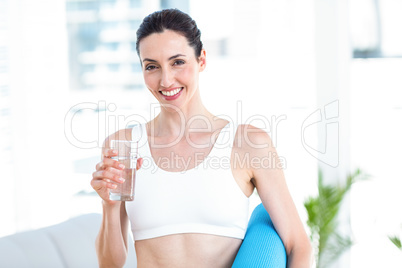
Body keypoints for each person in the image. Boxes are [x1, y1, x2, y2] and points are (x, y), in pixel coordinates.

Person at [91, 8, 312, 268]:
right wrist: (109, 206)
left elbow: (298, 246)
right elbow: (110, 264)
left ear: (202, 60)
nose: (165, 79)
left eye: (178, 62)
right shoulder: (124, 145)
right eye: (152, 66)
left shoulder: (248, 144)